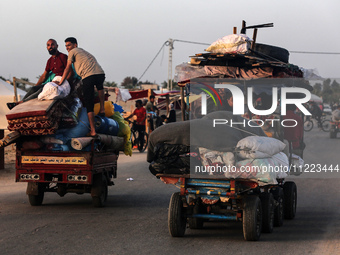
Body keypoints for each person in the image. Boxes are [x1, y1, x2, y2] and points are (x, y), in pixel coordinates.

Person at [57, 37, 106, 137]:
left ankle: (93, 131)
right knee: (100, 88)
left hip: (89, 76)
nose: (67, 48)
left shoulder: (73, 51)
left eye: (69, 45)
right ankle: (102, 109)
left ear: (75, 45)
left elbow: (68, 67)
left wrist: (61, 81)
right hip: (100, 74)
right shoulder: (84, 52)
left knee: (89, 104)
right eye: (66, 46)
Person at [7, 39, 72, 109]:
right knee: (33, 89)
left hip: (63, 83)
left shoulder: (63, 57)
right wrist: (35, 86)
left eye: (52, 44)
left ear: (57, 46)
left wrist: (61, 82)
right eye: (48, 45)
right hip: (53, 83)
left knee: (41, 91)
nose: (50, 47)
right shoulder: (49, 61)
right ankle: (19, 103)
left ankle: (19, 103)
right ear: (46, 47)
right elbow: (44, 76)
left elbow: (70, 72)